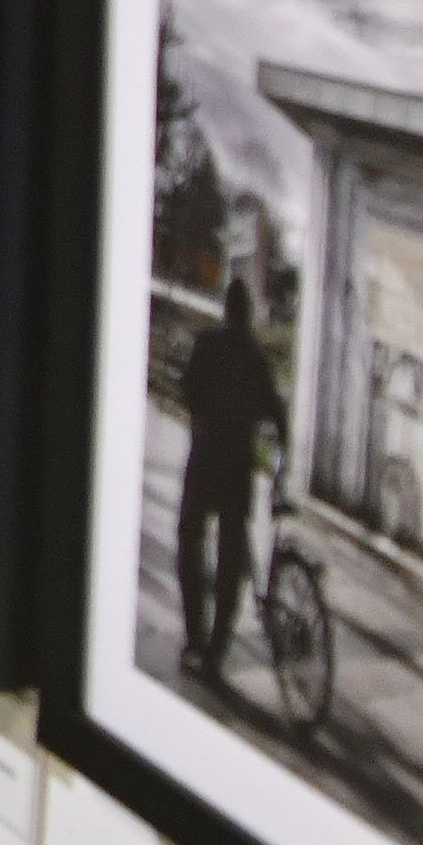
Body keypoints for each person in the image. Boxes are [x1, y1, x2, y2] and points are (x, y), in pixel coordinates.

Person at [176, 275, 279, 680]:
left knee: (190, 540)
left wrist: (206, 419)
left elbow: (188, 393)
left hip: (204, 460)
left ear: (225, 308)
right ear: (248, 312)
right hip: (237, 466)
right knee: (230, 554)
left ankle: (194, 638)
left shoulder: (206, 344)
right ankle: (218, 647)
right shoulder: (256, 357)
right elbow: (274, 409)